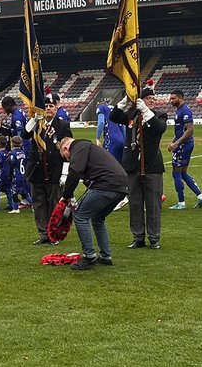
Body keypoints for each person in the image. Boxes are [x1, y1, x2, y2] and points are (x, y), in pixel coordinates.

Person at [57, 136, 130, 271]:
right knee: (97, 218)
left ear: (66, 148)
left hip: (106, 184)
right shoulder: (89, 148)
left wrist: (66, 195)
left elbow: (75, 171)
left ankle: (89, 256)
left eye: (66, 156)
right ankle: (105, 256)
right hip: (121, 186)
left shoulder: (78, 147)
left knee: (80, 215)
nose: (68, 159)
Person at [109, 83, 168, 249]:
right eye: (148, 98)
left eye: (152, 99)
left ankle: (154, 238)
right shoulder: (132, 115)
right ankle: (138, 237)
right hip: (133, 166)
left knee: (153, 205)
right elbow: (114, 117)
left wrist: (145, 110)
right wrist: (125, 101)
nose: (151, 101)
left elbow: (159, 128)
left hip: (152, 166)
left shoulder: (159, 115)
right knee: (135, 203)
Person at [25, 95, 71, 244]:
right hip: (37, 170)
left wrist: (65, 172)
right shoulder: (36, 124)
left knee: (54, 203)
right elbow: (24, 135)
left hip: (54, 171)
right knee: (39, 204)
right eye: (46, 105)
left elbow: (68, 149)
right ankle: (43, 234)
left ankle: (53, 234)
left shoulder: (63, 125)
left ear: (56, 108)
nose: (48, 108)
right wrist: (34, 119)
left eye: (51, 106)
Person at [167, 90, 202, 209]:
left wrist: (177, 143)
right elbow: (181, 131)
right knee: (183, 173)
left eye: (173, 98)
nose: (171, 101)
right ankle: (201, 197)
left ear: (180, 98)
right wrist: (174, 141)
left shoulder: (185, 110)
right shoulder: (179, 110)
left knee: (176, 173)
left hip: (184, 145)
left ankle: (181, 203)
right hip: (183, 144)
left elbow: (190, 130)